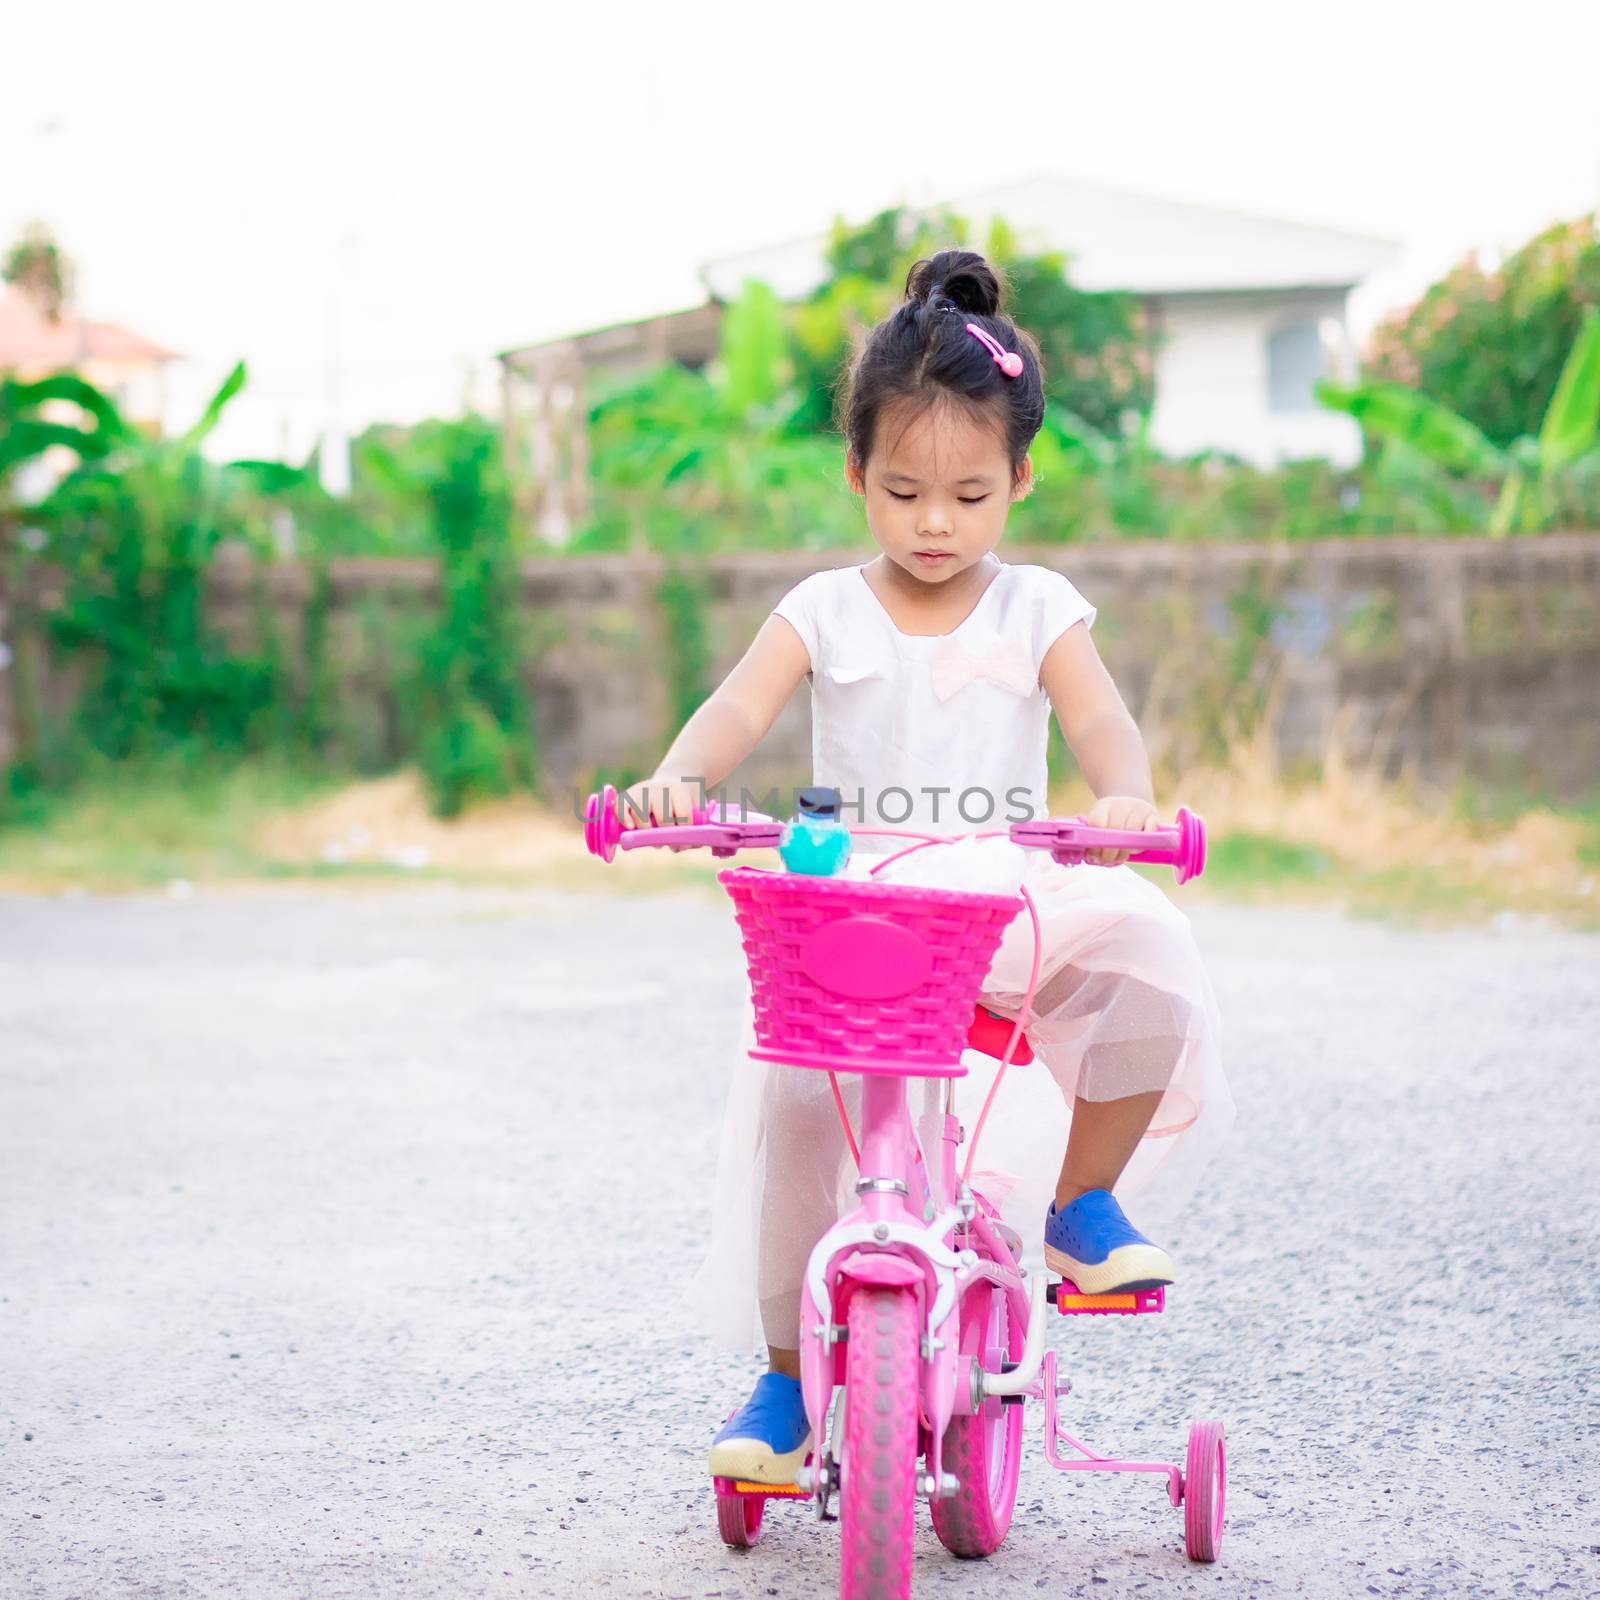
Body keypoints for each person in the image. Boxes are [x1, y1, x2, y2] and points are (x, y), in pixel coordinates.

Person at [624, 250, 1234, 1487]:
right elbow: (735, 709)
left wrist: (1122, 795)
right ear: (858, 476)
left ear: (1019, 478)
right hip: (860, 906)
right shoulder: (823, 609)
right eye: (901, 492)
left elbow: (1104, 724)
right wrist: (678, 779)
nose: (934, 522)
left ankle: (1078, 1205)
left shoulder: (1037, 608)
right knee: (801, 1106)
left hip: (1000, 899)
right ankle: (788, 1381)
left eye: (967, 493)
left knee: (1149, 954)